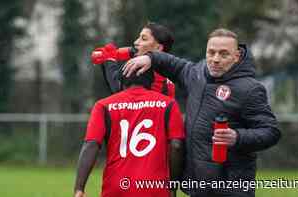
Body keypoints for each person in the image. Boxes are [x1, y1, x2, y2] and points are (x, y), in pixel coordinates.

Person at [122, 28, 281, 197]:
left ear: (237, 56)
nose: (215, 59)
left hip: (231, 188)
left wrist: (237, 137)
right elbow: (176, 65)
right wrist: (151, 57)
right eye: (211, 53)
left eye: (223, 54)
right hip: (199, 186)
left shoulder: (250, 89)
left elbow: (271, 131)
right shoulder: (198, 73)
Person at [73, 66, 185, 197]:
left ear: (121, 81)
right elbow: (177, 146)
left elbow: (91, 145)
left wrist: (79, 188)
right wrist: (172, 187)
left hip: (116, 188)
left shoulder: (103, 106)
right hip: (154, 188)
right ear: (151, 82)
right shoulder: (169, 104)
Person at [91, 22, 175, 97]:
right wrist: (113, 55)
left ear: (158, 47)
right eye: (139, 37)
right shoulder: (166, 68)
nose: (136, 42)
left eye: (144, 39)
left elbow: (117, 88)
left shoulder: (152, 72)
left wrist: (109, 60)